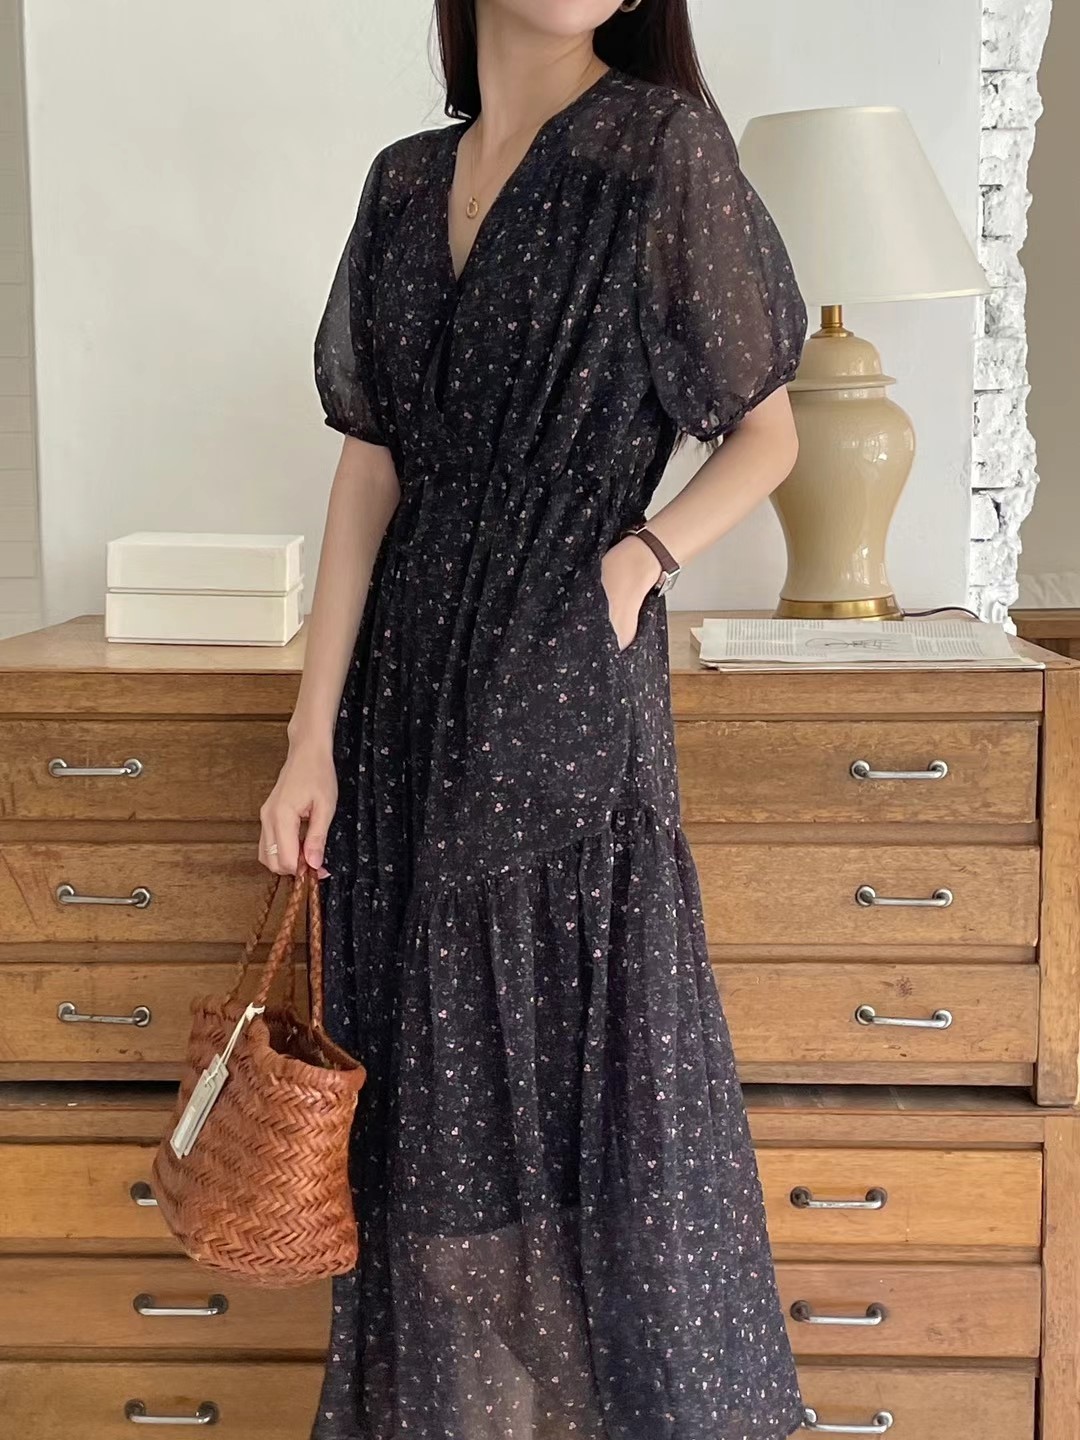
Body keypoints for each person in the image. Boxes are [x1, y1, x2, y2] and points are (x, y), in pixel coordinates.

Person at [259, 3, 808, 1437]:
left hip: (562, 671)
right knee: (428, 1122)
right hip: (400, 698)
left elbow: (768, 431)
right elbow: (369, 470)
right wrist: (309, 738)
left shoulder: (660, 149)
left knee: (569, 1096)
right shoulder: (401, 182)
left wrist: (639, 561)